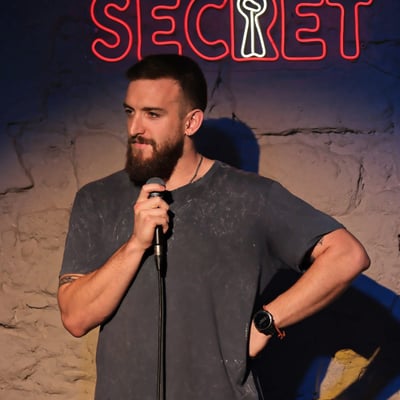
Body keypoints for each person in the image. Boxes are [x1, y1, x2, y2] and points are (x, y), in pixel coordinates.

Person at [58, 53, 370, 400]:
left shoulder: (249, 197)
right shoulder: (98, 199)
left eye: (153, 114)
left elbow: (346, 255)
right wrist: (135, 244)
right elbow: (75, 317)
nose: (135, 129)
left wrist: (267, 321)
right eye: (130, 112)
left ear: (191, 122)